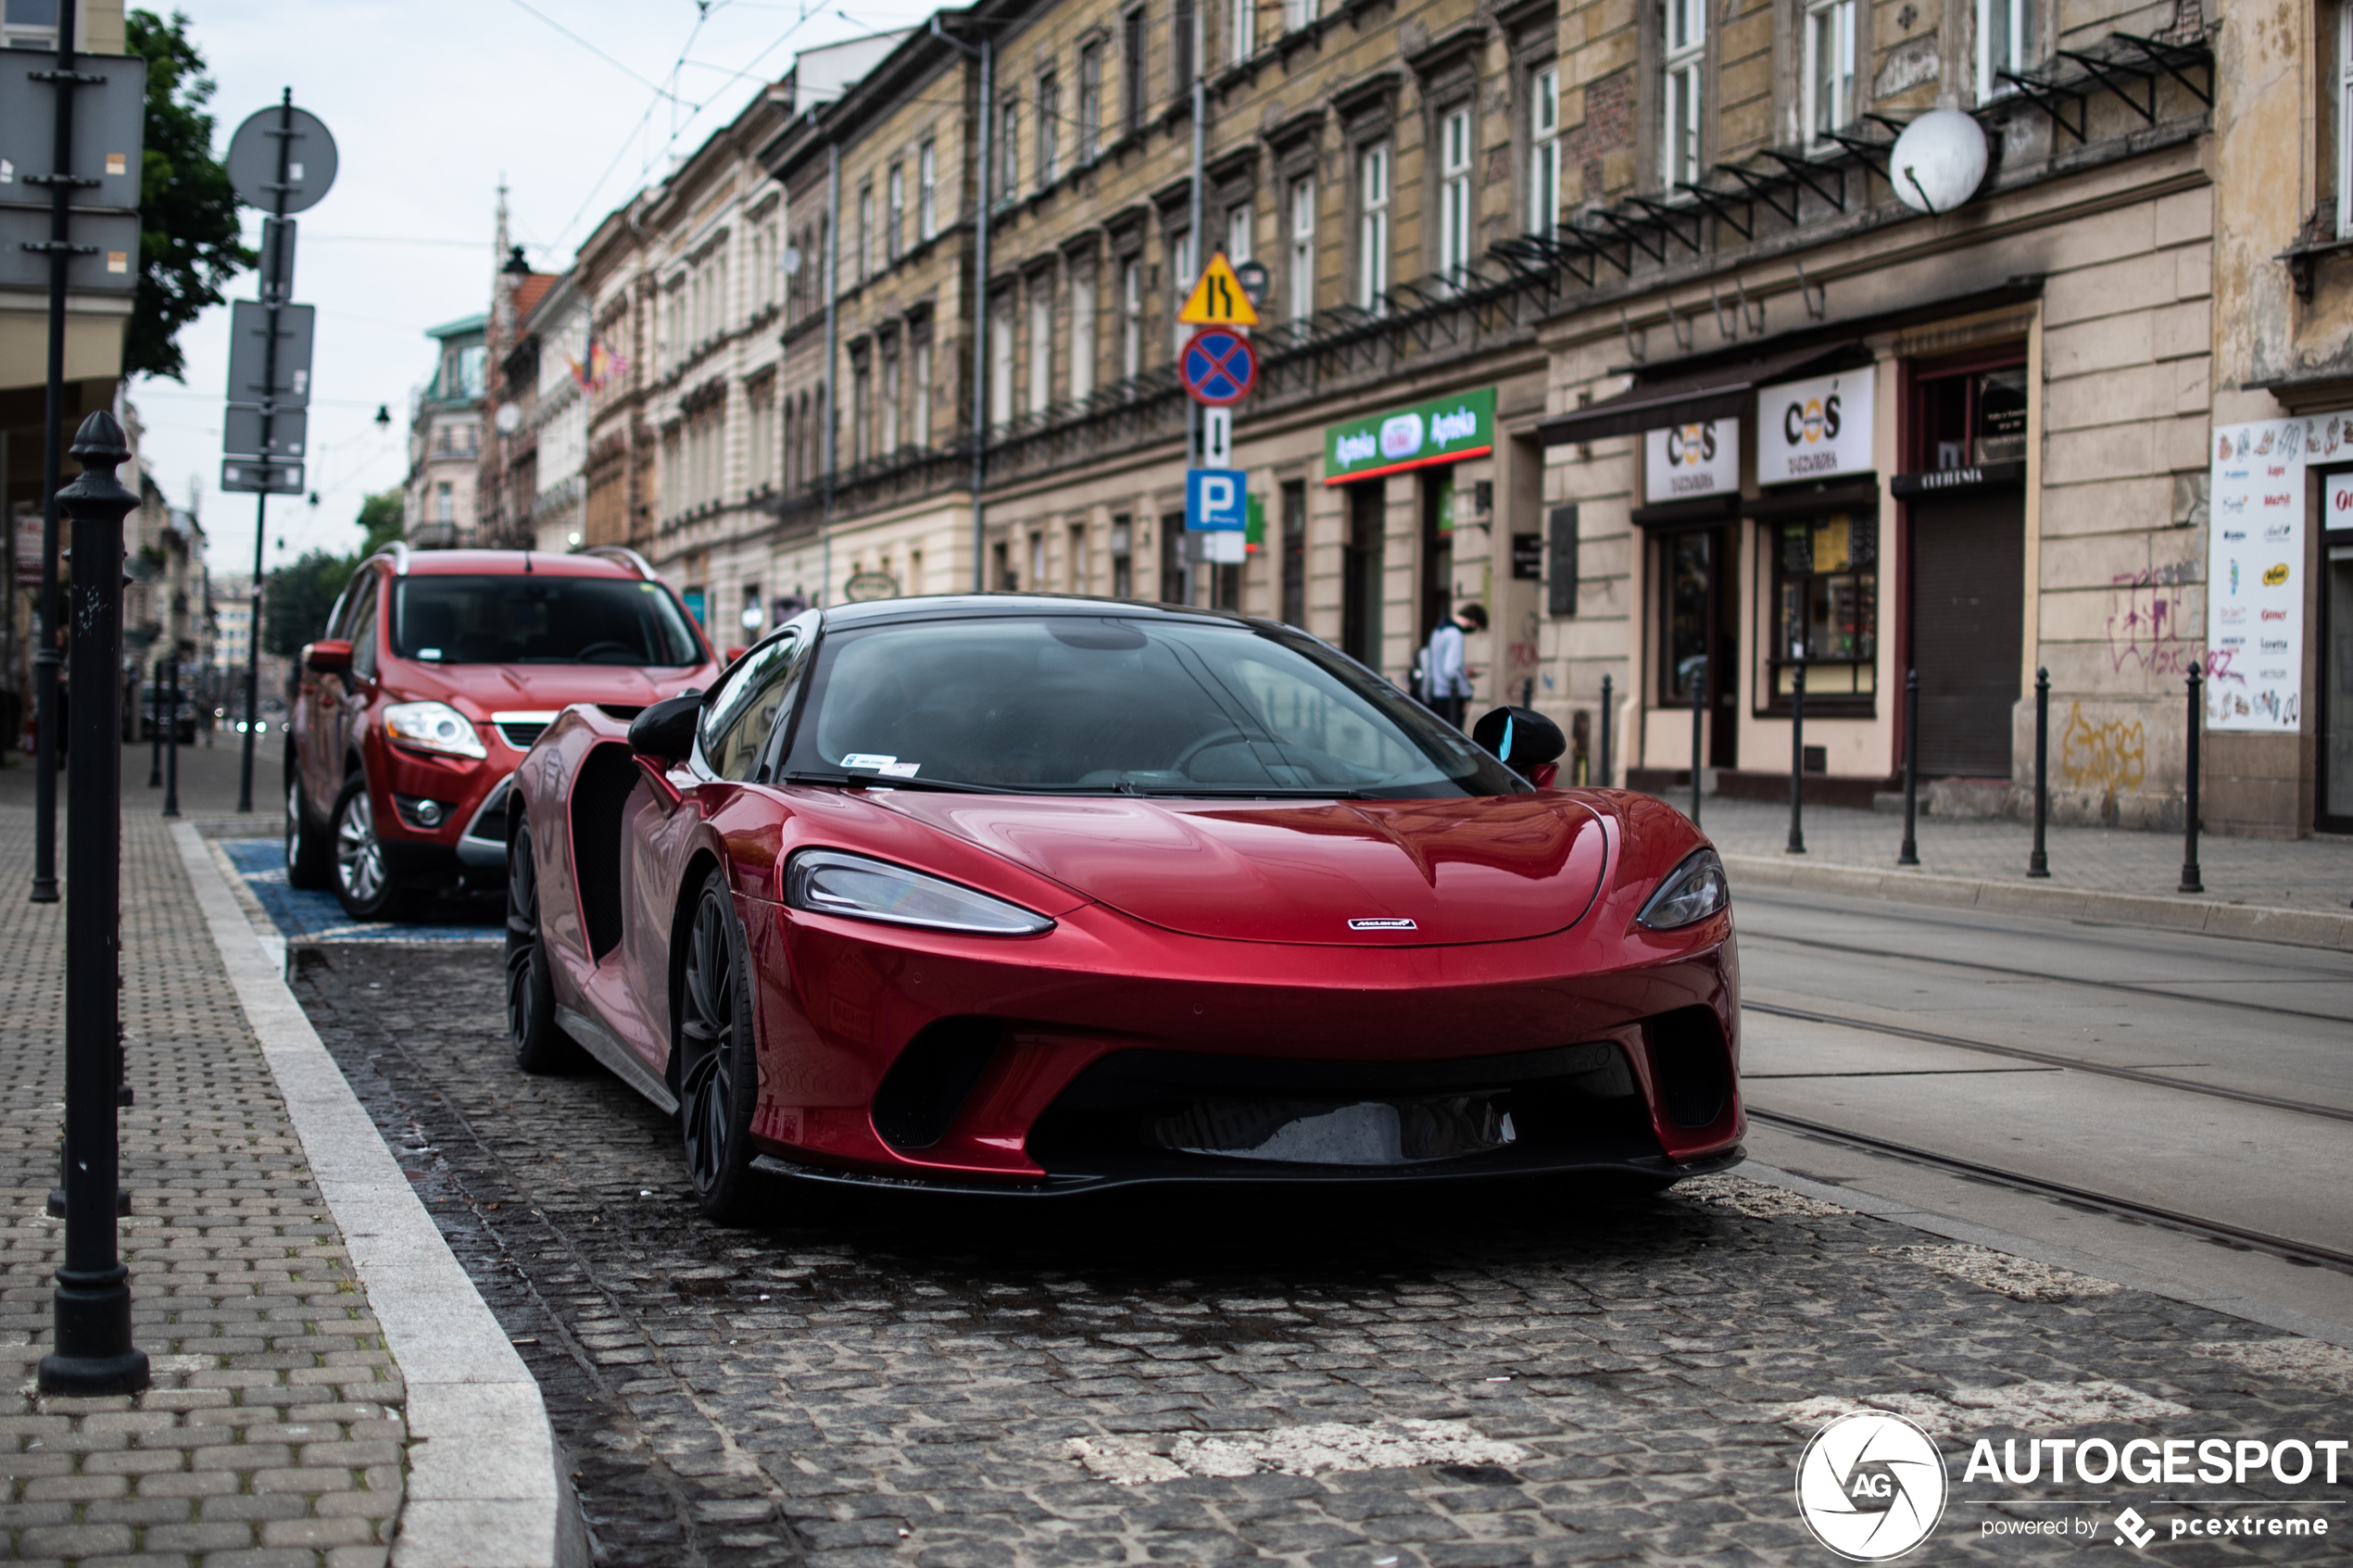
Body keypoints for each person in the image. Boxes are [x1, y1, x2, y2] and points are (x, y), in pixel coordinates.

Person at [1421, 601, 1486, 729]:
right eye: (1476, 627)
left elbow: (1435, 664)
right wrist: (1467, 692)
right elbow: (1451, 670)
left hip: (1436, 695)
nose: (1474, 630)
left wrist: (1462, 670)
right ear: (1473, 621)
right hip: (1450, 699)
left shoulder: (1437, 632)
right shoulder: (1456, 635)